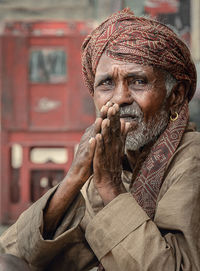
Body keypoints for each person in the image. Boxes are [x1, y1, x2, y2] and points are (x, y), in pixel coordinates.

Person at [0, 8, 200, 271]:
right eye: (106, 84)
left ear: (175, 96)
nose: (120, 98)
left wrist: (111, 187)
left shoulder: (191, 160)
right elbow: (13, 253)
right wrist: (75, 177)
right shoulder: (111, 161)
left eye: (138, 81)